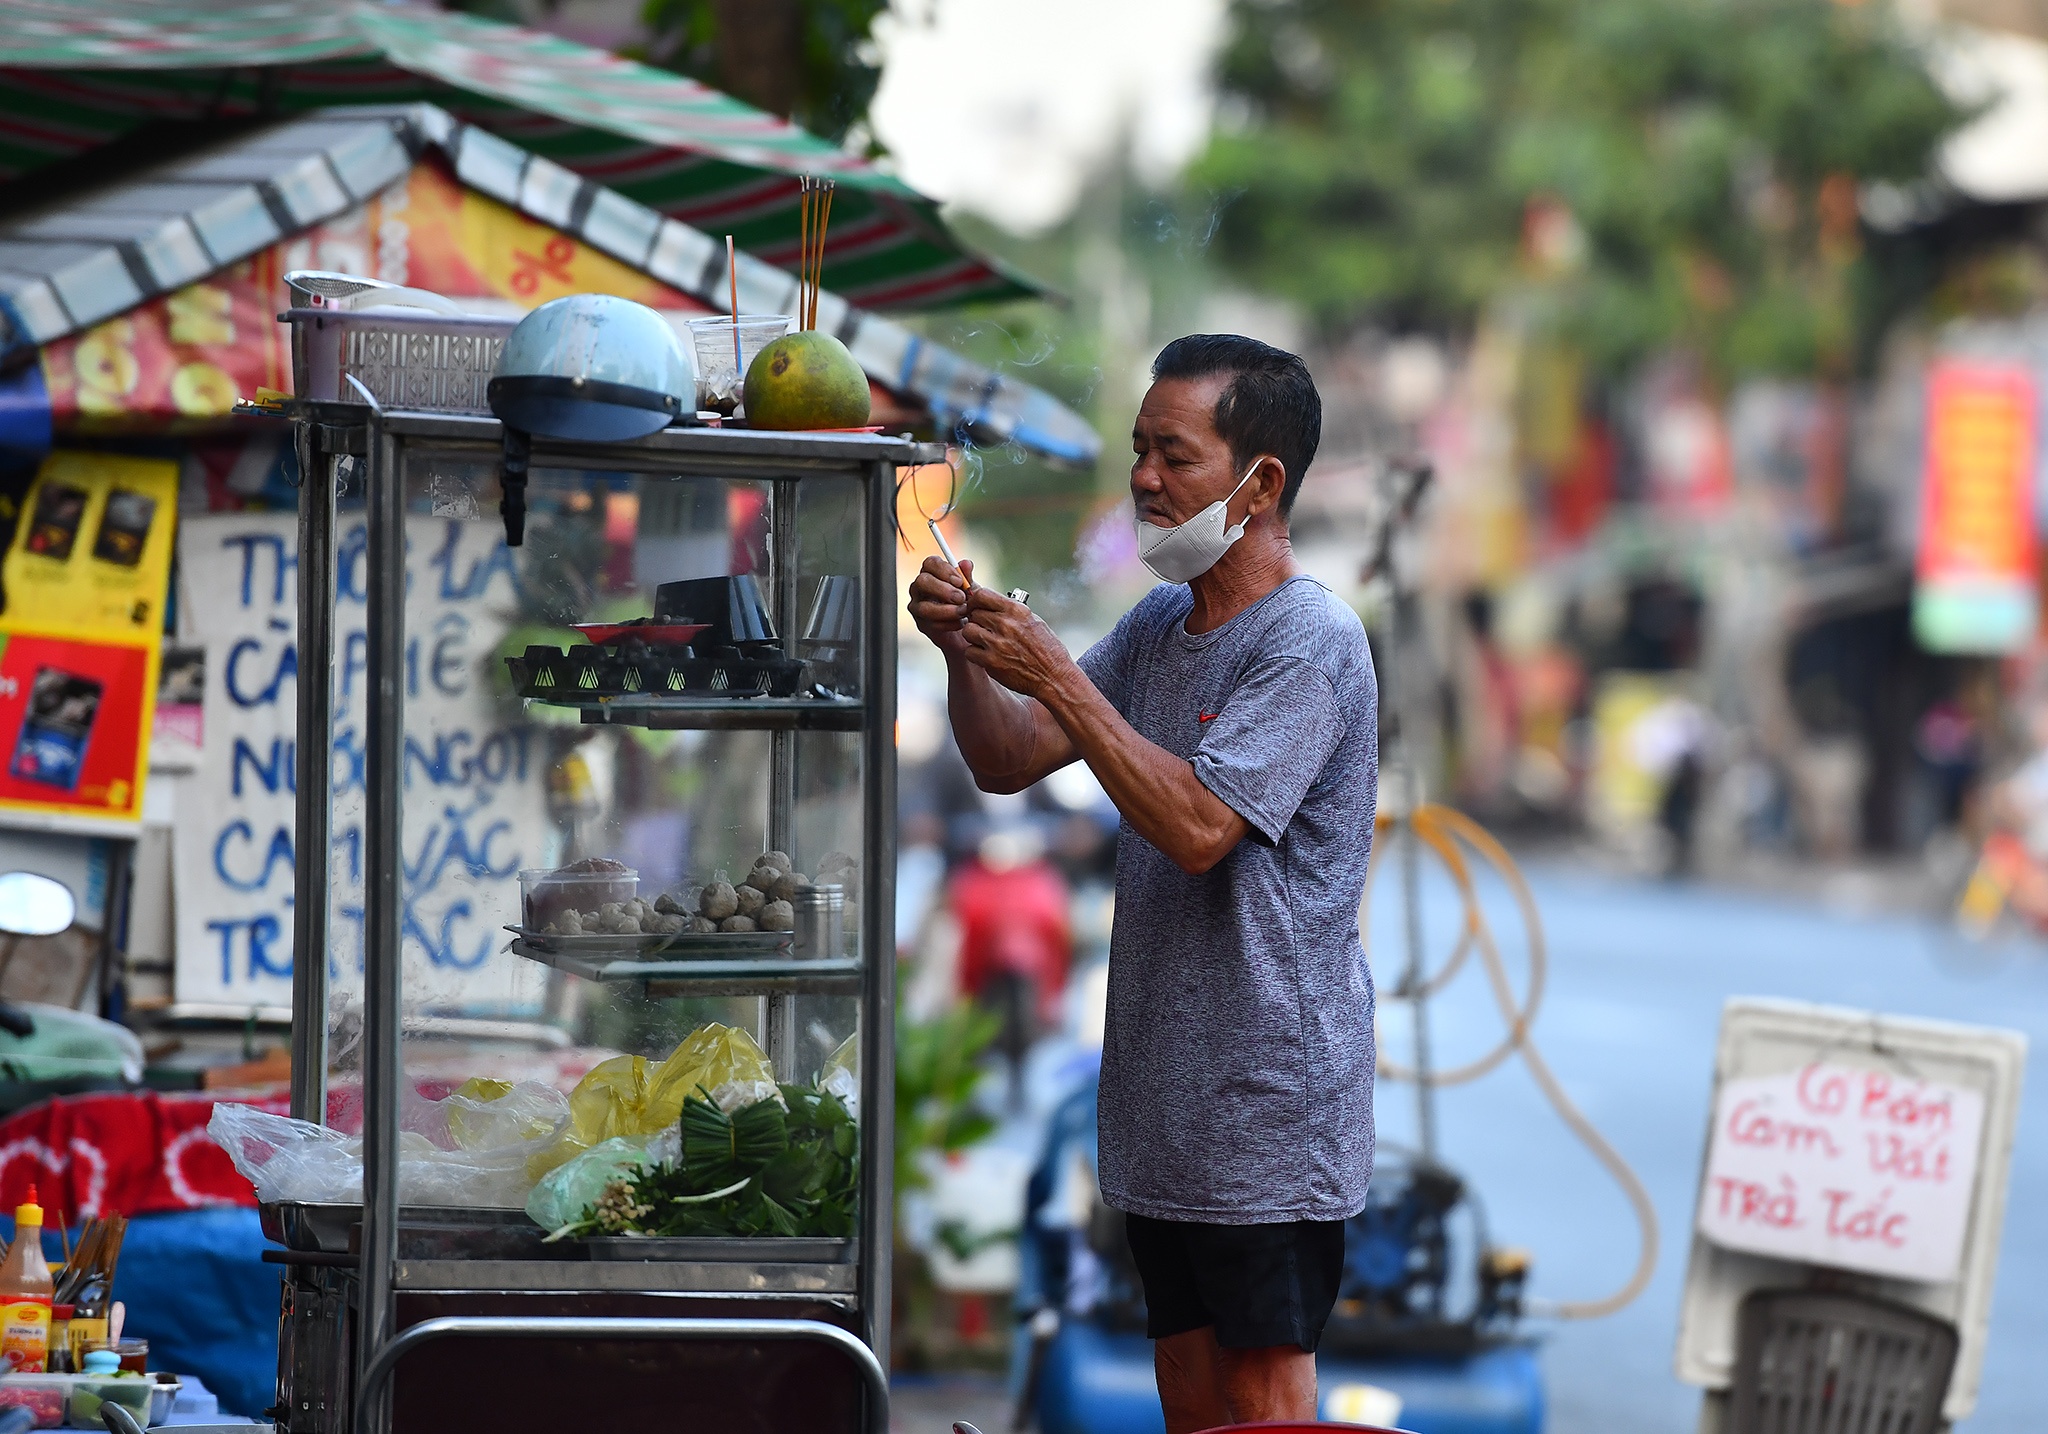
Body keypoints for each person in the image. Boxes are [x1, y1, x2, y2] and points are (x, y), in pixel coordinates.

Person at [907, 334, 1378, 1432]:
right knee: (1187, 1401)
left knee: (1263, 1412)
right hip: (1163, 1114)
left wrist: (1060, 675)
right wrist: (965, 652)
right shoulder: (1161, 623)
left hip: (1265, 1120)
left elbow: (1200, 825)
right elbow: (1009, 758)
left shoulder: (1308, 642)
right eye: (1138, 451)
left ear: (1259, 484)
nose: (1144, 479)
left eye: (1173, 455)